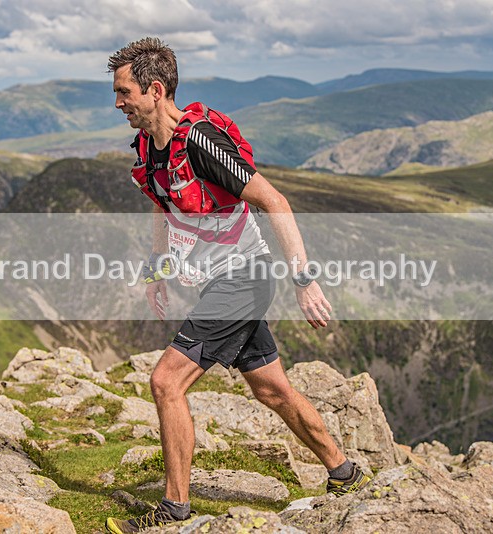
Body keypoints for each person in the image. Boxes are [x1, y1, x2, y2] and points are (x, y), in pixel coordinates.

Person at [104, 37, 371, 534]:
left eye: (125, 93)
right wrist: (156, 273)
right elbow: (163, 206)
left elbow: (276, 201)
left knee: (165, 382)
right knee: (273, 390)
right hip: (221, 283)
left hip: (245, 279)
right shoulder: (148, 147)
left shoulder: (202, 143)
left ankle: (173, 512)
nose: (118, 103)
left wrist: (304, 280)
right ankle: (345, 473)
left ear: (155, 89)